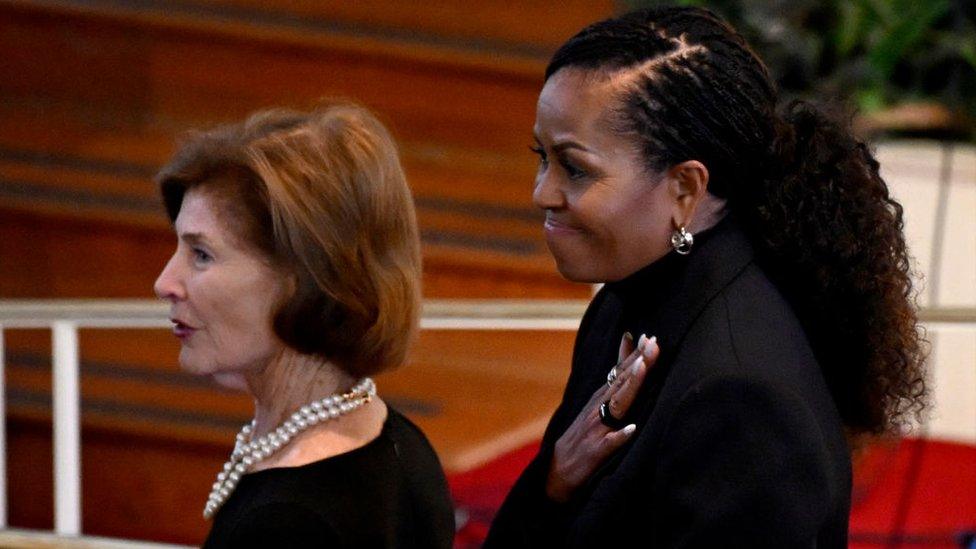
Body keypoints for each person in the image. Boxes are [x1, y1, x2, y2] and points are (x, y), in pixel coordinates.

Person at [485, 6, 926, 548]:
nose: (542, 194)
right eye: (541, 158)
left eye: (574, 168)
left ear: (685, 190)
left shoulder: (742, 398)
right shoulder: (629, 296)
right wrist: (552, 484)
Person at [153, 103, 455, 548]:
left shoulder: (288, 523)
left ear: (302, 280)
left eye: (201, 255)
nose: (165, 283)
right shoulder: (400, 442)